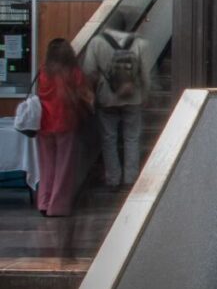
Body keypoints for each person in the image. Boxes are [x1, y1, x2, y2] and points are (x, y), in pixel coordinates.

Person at [83, 11, 150, 189]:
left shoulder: (97, 42)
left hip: (106, 98)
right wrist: (146, 94)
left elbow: (89, 71)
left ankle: (113, 179)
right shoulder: (140, 43)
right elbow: (146, 74)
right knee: (132, 138)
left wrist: (93, 93)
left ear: (108, 25)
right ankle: (131, 179)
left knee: (109, 139)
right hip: (133, 97)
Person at [36, 39, 92, 216]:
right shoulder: (73, 73)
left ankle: (43, 202)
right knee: (64, 166)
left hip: (44, 123)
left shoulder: (44, 72)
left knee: (47, 165)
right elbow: (84, 94)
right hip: (65, 121)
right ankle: (57, 206)